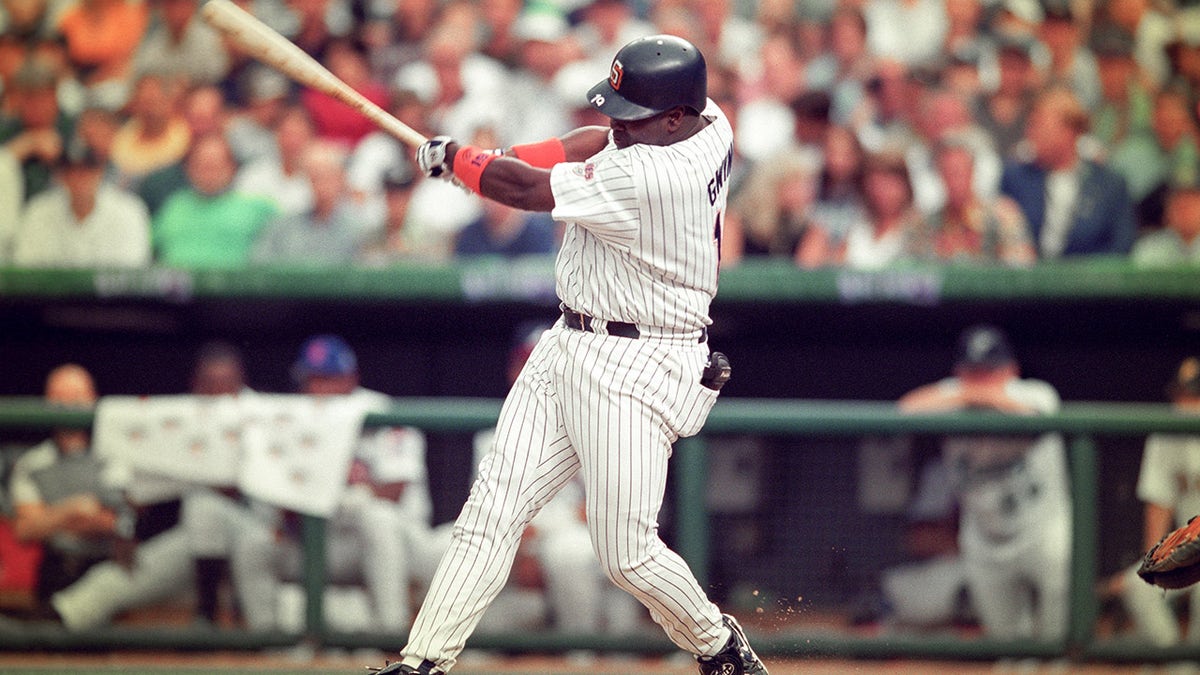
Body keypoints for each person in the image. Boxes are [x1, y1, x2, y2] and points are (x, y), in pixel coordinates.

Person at [379, 34, 766, 675]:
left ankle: (718, 645)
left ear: (673, 116)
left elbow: (529, 194)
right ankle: (423, 664)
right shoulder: (707, 120)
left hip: (639, 363)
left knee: (626, 553)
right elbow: (590, 141)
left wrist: (462, 162)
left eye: (631, 113)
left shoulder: (654, 176)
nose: (616, 120)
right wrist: (487, 157)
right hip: (569, 341)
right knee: (493, 505)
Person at [229, 335, 427, 633]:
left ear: (351, 378)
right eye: (313, 379)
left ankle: (392, 631)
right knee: (253, 540)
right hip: (317, 542)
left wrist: (337, 489)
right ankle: (265, 640)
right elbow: (280, 507)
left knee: (377, 516)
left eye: (329, 378)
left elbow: (395, 491)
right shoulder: (291, 416)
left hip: (374, 546)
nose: (319, 389)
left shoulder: (379, 410)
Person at [898, 324, 1071, 641]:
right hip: (984, 537)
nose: (981, 379)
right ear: (958, 371)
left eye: (991, 370)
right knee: (1008, 644)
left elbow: (1039, 419)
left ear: (1012, 370)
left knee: (1055, 639)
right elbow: (904, 410)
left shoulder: (1035, 392)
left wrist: (976, 395)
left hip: (1042, 529)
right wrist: (967, 394)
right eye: (973, 370)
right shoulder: (952, 398)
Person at [7, 364, 193, 631]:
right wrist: (73, 510)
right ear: (47, 401)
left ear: (93, 399)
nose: (69, 405)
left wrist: (51, 519)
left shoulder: (118, 456)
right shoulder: (32, 463)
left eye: (77, 397)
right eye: (61, 397)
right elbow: (25, 530)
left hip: (112, 566)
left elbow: (119, 524)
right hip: (59, 570)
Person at [1116, 356, 1200, 645]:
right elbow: (1158, 507)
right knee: (1138, 585)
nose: (1186, 401)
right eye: (1184, 393)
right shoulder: (1167, 433)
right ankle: (1176, 665)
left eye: (1195, 394)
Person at [999, 87, 1137, 259]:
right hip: (1028, 282)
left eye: (1039, 125)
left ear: (1069, 131)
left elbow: (1121, 247)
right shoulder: (1015, 179)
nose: (1030, 133)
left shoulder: (1109, 184)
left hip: (1089, 282)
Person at [10, 137, 151, 267]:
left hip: (112, 295)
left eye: (87, 170)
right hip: (52, 294)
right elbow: (26, 268)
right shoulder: (38, 211)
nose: (79, 178)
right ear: (61, 175)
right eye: (71, 171)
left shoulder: (129, 211)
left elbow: (132, 273)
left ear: (100, 172)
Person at [152, 133, 278, 268]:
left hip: (234, 286)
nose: (209, 174)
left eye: (215, 166)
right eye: (201, 166)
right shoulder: (174, 206)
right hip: (177, 286)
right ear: (188, 169)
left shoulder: (258, 208)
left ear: (232, 168)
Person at [1131, 182, 1200, 265]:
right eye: (1179, 205)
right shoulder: (1150, 248)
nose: (1185, 212)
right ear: (1167, 212)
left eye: (1191, 205)